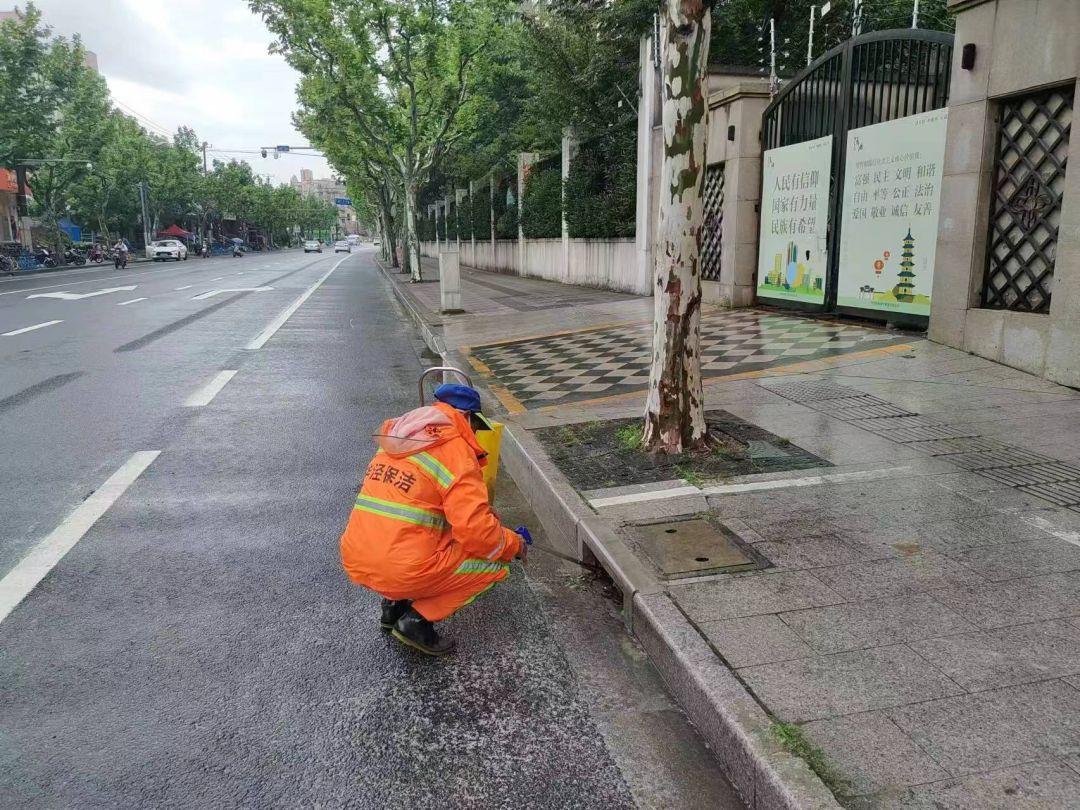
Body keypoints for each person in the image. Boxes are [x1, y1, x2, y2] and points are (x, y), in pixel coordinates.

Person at [339, 384, 529, 656]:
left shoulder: (400, 438)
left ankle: (393, 607)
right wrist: (513, 543)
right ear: (466, 418)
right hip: (401, 569)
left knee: (415, 534)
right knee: (495, 561)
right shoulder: (455, 451)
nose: (475, 434)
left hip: (356, 557)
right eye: (476, 426)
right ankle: (416, 621)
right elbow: (478, 533)